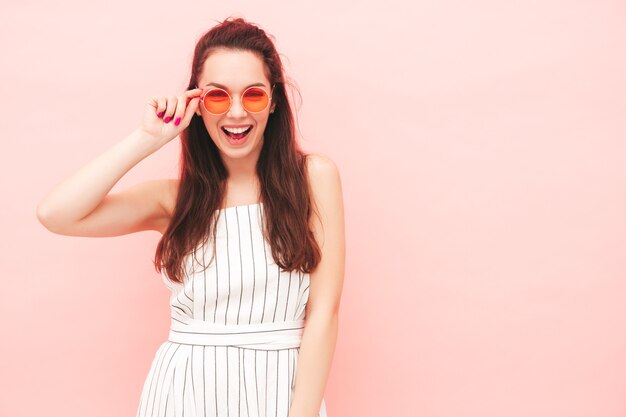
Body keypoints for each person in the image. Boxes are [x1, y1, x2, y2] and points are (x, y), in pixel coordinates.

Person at [36, 16, 345, 417]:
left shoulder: (313, 178)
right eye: (217, 96)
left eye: (252, 95)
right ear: (197, 104)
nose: (236, 113)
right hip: (184, 392)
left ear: (273, 101)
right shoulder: (173, 200)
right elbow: (56, 214)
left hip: (281, 389)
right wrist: (146, 139)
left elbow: (325, 313)